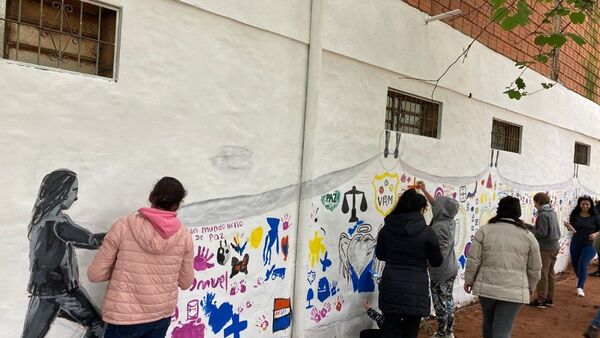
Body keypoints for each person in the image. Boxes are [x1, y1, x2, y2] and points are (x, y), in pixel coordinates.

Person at [88, 177, 195, 338]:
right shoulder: (184, 235)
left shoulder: (124, 226)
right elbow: (186, 282)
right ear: (177, 205)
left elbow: (94, 274)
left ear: (152, 196)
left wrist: (123, 271)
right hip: (160, 317)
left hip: (123, 317)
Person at [22, 169, 106, 338]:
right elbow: (91, 241)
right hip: (63, 290)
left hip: (41, 290)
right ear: (61, 192)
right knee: (99, 325)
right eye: (73, 190)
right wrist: (118, 234)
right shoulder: (59, 223)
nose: (75, 197)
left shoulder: (38, 220)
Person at [464, 196, 542, 338]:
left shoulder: (484, 230)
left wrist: (469, 279)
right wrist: (531, 286)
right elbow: (535, 267)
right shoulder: (528, 236)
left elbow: (473, 259)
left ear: (499, 210)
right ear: (518, 212)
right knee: (502, 331)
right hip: (513, 291)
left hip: (487, 289)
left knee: (488, 323)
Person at [375, 189, 443, 338]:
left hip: (391, 284)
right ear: (421, 209)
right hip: (416, 288)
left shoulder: (387, 229)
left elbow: (380, 255)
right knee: (410, 332)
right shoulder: (427, 232)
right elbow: (437, 261)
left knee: (390, 330)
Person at [417, 182, 459, 338]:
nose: (434, 205)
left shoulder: (439, 227)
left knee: (440, 303)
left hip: (440, 271)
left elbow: (437, 252)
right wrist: (423, 190)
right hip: (450, 267)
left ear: (441, 210)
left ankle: (443, 333)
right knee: (448, 299)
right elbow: (435, 204)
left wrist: (426, 262)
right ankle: (449, 331)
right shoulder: (449, 220)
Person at [526, 192, 561, 308]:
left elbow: (541, 233)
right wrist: (527, 226)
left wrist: (527, 230)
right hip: (554, 246)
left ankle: (541, 299)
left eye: (535, 202)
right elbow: (543, 230)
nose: (534, 205)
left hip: (545, 248)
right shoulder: (552, 213)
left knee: (543, 273)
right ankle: (549, 299)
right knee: (550, 273)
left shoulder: (542, 215)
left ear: (539, 202)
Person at [564, 195, 600, 296]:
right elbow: (572, 229)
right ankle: (580, 279)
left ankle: (580, 286)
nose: (585, 206)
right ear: (579, 204)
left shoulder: (596, 216)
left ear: (591, 205)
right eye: (583, 204)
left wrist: (596, 234)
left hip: (590, 244)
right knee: (575, 264)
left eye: (587, 204)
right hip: (576, 242)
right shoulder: (575, 214)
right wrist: (568, 226)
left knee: (583, 263)